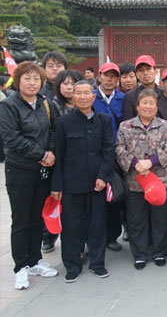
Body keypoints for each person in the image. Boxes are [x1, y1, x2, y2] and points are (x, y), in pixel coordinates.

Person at [0, 62, 58, 290]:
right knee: (21, 219)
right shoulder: (9, 106)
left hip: (42, 169)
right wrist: (42, 154)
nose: (32, 83)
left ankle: (35, 261)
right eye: (27, 78)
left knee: (37, 217)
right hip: (20, 169)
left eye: (36, 79)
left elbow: (53, 130)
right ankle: (20, 267)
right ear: (18, 81)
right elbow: (12, 138)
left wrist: (50, 152)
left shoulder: (44, 103)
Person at [51, 81, 114, 283]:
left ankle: (97, 263)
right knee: (71, 226)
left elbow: (108, 151)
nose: (83, 97)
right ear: (73, 97)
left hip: (97, 184)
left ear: (93, 97)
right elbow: (59, 155)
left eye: (87, 93)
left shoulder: (104, 120)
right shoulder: (64, 122)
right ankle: (72, 266)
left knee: (97, 225)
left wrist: (103, 176)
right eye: (78, 93)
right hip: (72, 184)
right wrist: (57, 185)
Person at [115, 89, 167, 270]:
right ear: (137, 106)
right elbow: (119, 149)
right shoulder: (125, 126)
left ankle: (159, 252)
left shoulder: (166, 126)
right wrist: (136, 164)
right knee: (136, 220)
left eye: (152, 103)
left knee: (160, 219)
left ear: (157, 107)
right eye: (144, 103)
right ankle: (140, 254)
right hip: (135, 182)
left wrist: (150, 162)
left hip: (160, 181)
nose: (148, 106)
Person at [93, 62, 126, 251]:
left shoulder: (123, 99)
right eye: (106, 75)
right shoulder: (91, 97)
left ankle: (112, 236)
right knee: (95, 199)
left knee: (115, 197)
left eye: (113, 76)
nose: (109, 79)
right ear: (99, 76)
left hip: (117, 156)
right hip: (95, 156)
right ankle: (94, 238)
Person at [122, 55, 161, 121]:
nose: (145, 73)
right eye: (141, 70)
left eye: (148, 69)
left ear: (156, 71)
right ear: (137, 75)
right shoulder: (130, 97)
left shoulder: (164, 94)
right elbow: (127, 123)